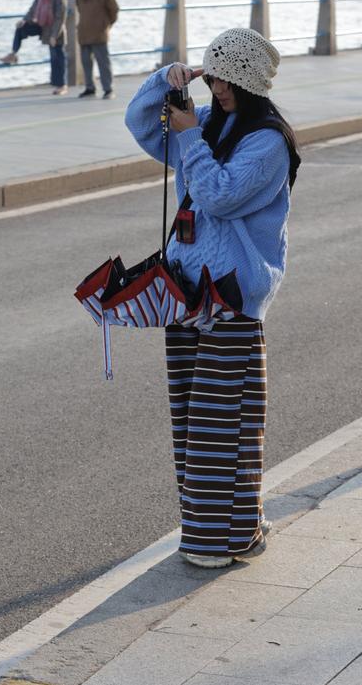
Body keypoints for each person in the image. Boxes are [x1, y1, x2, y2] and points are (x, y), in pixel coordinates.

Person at [125, 28, 301, 569]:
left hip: (231, 299)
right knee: (195, 418)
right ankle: (223, 535)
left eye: (224, 78)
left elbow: (220, 197)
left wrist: (188, 136)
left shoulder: (268, 141)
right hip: (187, 292)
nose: (216, 86)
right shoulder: (207, 122)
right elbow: (139, 125)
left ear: (248, 81)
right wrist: (166, 81)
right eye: (212, 75)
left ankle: (218, 539)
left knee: (223, 421)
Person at [0, 0, 68, 95]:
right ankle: (13, 54)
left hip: (54, 29)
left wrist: (54, 35)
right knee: (20, 29)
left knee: (57, 57)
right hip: (41, 25)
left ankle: (61, 85)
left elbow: (60, 17)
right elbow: (33, 8)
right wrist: (24, 20)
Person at [75, 0, 119, 100]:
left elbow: (114, 11)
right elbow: (79, 9)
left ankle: (108, 89)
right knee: (86, 63)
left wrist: (105, 25)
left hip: (99, 34)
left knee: (103, 63)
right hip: (84, 33)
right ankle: (90, 88)